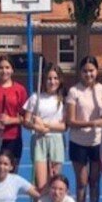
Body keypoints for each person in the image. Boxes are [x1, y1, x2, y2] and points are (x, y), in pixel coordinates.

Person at [66, 55, 102, 202]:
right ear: (80, 72)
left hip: (98, 142)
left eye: (91, 70)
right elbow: (70, 121)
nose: (88, 74)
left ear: (97, 71)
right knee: (82, 182)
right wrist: (92, 123)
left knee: (95, 181)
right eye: (85, 71)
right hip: (78, 142)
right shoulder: (73, 92)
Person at [23, 63, 67, 191]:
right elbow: (26, 121)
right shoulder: (35, 98)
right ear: (44, 80)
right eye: (49, 78)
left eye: (55, 78)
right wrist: (35, 127)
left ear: (60, 80)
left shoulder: (63, 99)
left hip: (56, 141)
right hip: (39, 141)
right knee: (41, 186)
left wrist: (44, 126)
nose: (52, 81)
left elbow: (64, 126)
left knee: (55, 184)